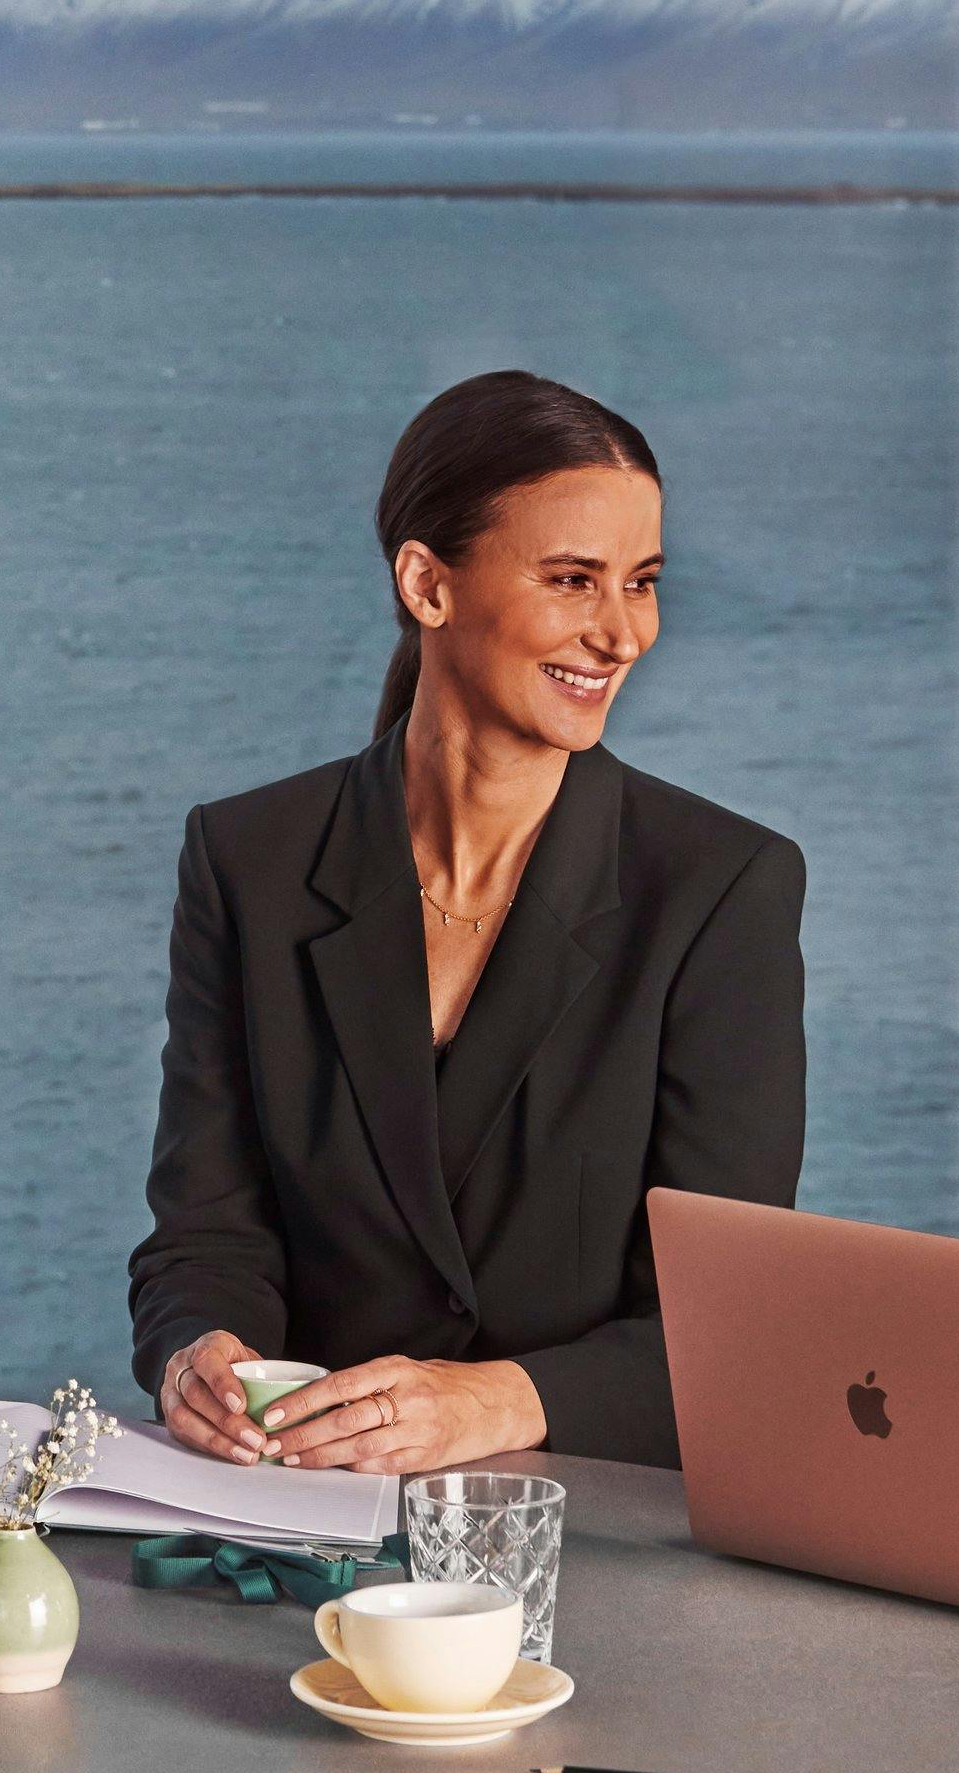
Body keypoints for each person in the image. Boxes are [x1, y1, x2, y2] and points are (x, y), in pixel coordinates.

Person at [131, 371, 807, 1475]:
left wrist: (497, 1400)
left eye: (641, 582)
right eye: (572, 579)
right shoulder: (248, 857)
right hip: (301, 1518)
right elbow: (204, 1231)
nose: (621, 632)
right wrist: (193, 1354)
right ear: (426, 583)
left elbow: (732, 1318)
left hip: (589, 1523)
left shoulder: (721, 887)